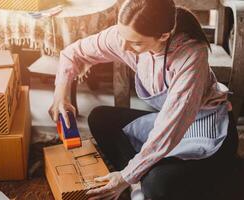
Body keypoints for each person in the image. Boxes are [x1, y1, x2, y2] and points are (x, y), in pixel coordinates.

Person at [48, 0, 240, 199]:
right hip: (169, 120)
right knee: (99, 117)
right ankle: (141, 176)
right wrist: (60, 95)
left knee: (157, 185)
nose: (123, 46)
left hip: (208, 131)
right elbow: (73, 53)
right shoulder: (126, 37)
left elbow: (170, 128)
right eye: (122, 36)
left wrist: (126, 176)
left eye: (136, 42)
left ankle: (145, 179)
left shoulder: (191, 55)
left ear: (164, 35)